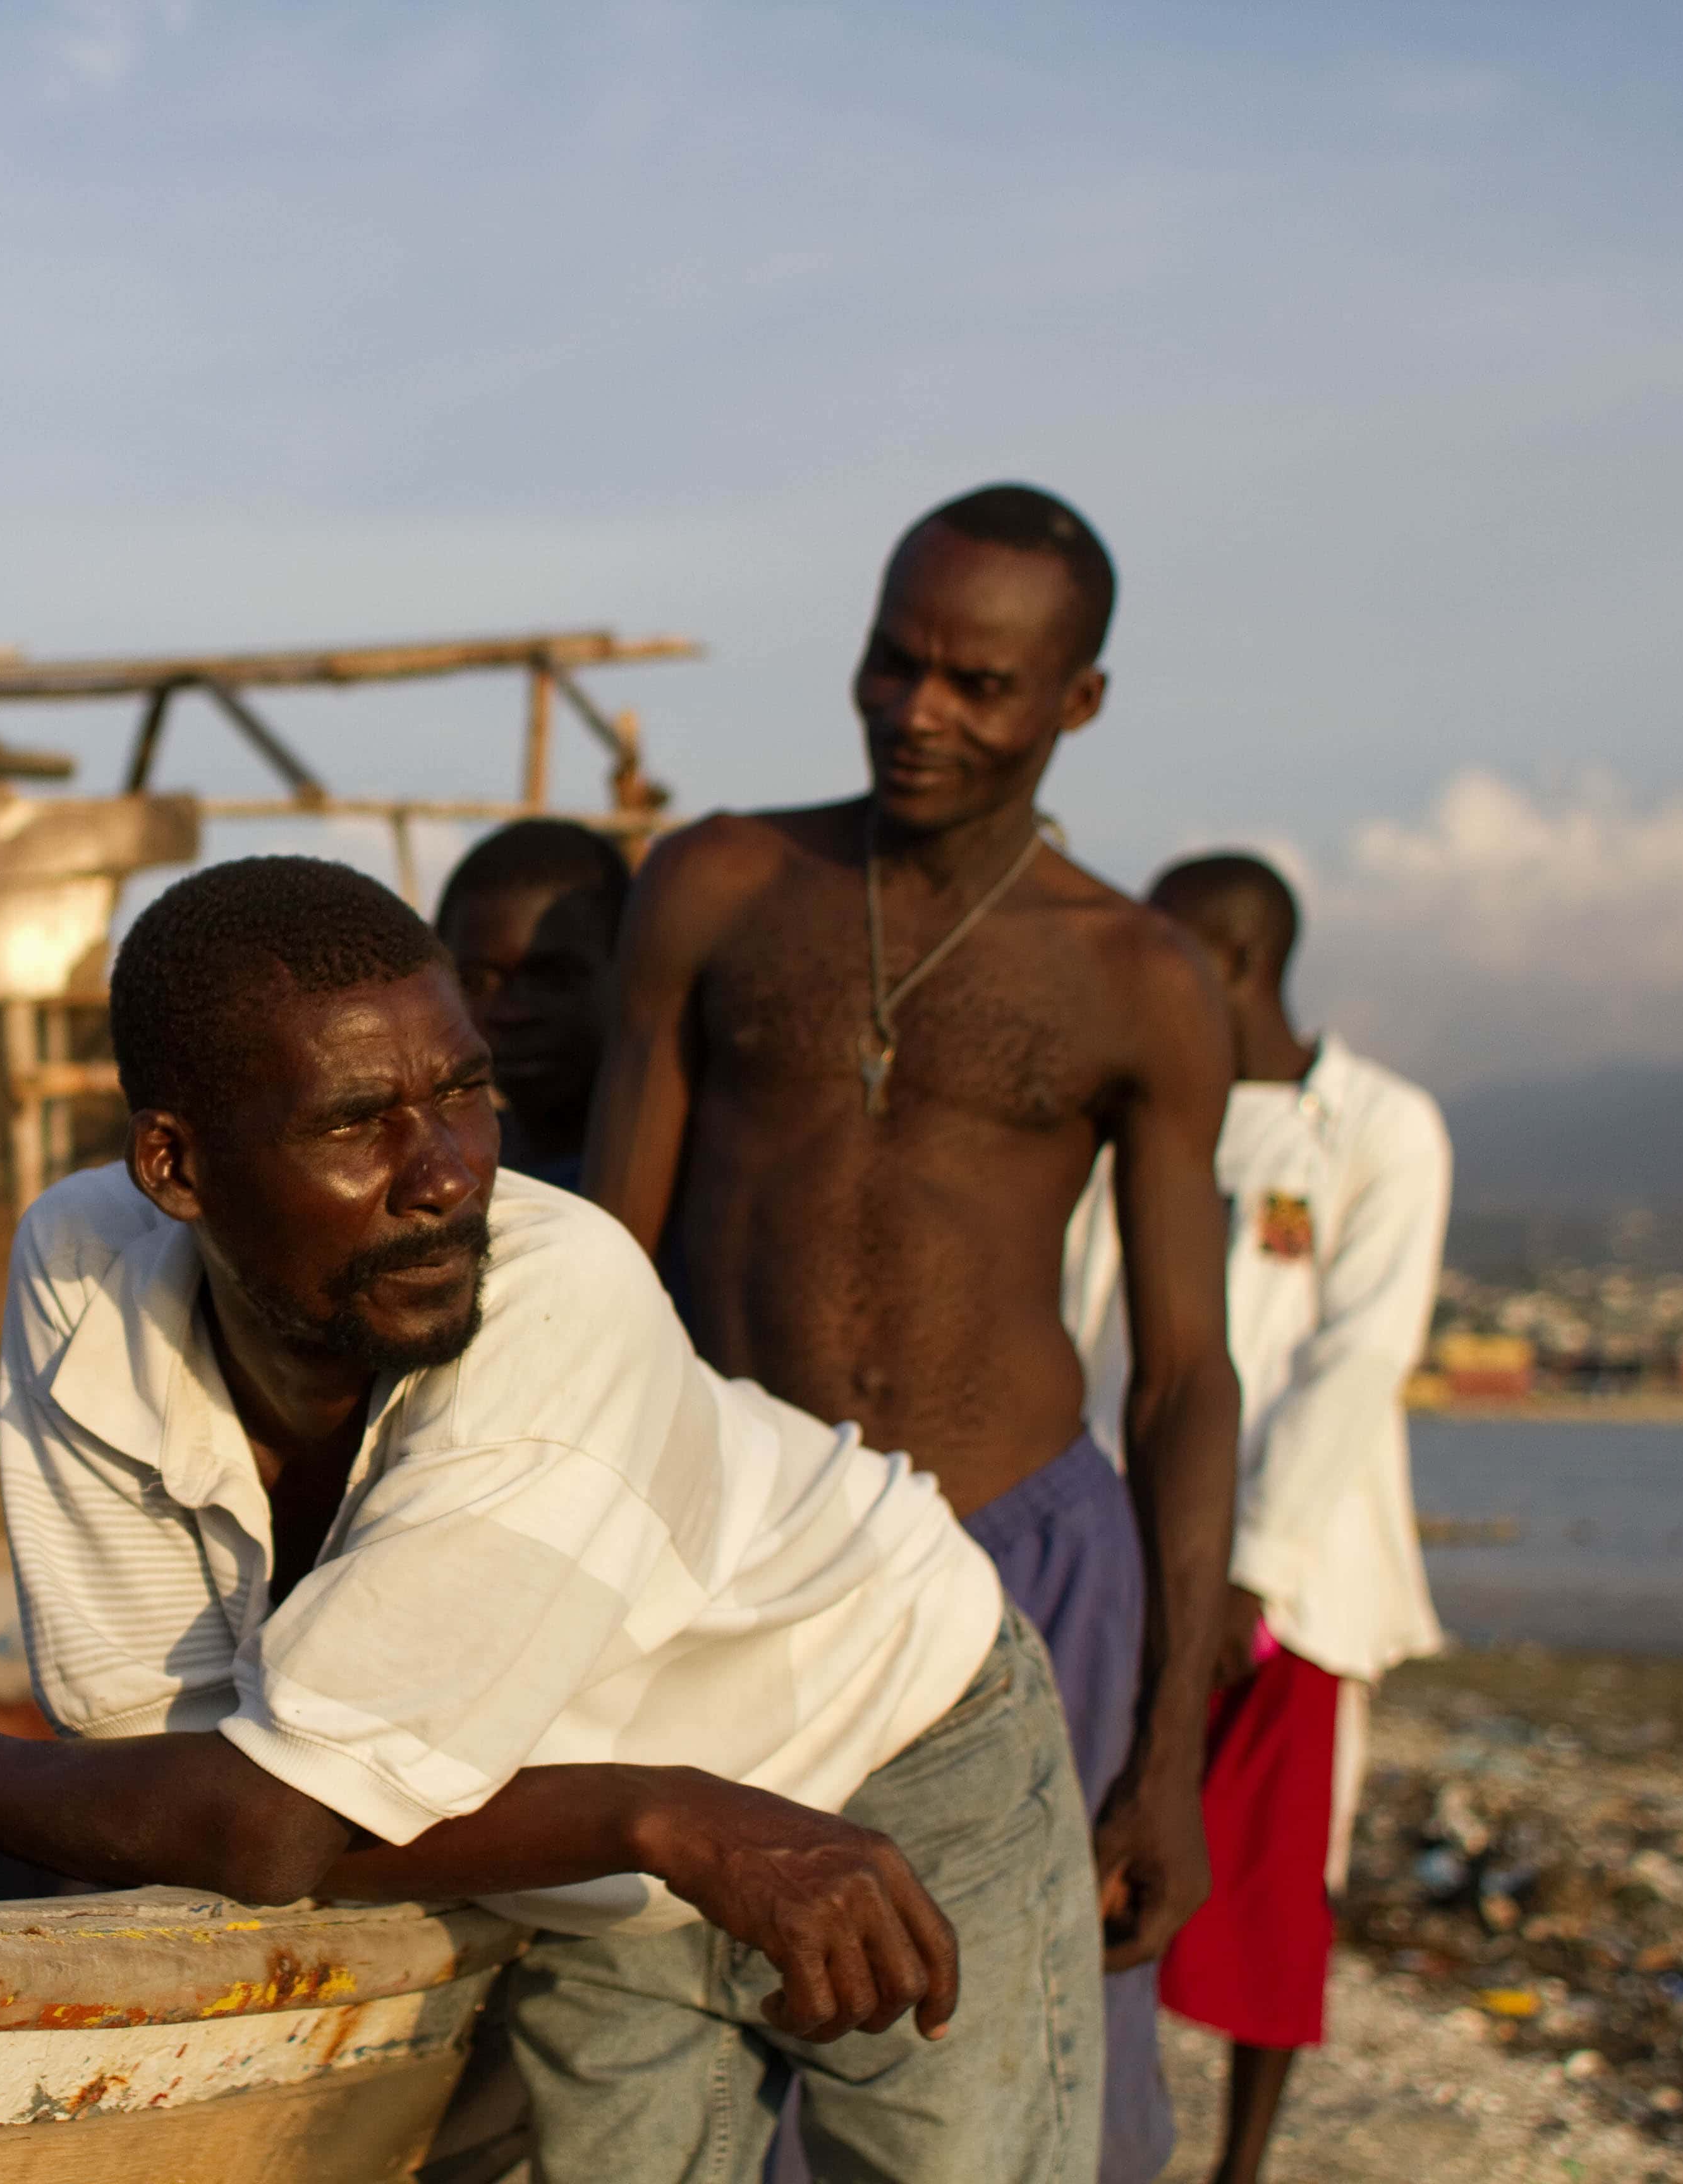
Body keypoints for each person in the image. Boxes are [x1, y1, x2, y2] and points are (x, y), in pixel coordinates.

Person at [0, 856, 1104, 2184]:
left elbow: (253, 1822)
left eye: (464, 1095)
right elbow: (176, 1770)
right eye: (355, 1123)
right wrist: (657, 1818)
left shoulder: (557, 1301)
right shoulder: (84, 1269)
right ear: (175, 1164)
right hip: (590, 1842)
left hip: (887, 1746)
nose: (445, 1176)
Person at [581, 483, 1243, 2184]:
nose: (919, 713)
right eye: (895, 662)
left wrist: (1169, 1766)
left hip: (1021, 1557)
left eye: (979, 683)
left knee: (1002, 2072)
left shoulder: (1142, 979)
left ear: (1076, 703)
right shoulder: (723, 885)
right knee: (685, 2029)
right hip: (737, 1551)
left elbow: (1185, 1379)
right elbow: (602, 1273)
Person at [1059, 853, 1451, 2184]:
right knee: (1099, 1845)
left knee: (1274, 1882)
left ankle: (1243, 2162)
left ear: (1224, 960)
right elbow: (1086, 1320)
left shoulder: (1381, 1129)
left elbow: (1356, 1359)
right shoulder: (1145, 1105)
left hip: (1294, 1577)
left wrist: (1252, 1569)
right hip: (1125, 1537)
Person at [432, 816, 631, 1189]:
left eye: (555, 977)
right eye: (475, 982)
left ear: (632, 972)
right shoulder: (439, 1179)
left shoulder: (701, 1184)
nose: (512, 1013)